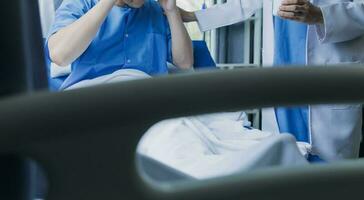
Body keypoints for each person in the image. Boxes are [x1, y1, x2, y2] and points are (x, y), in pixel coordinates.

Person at [180, 0, 364, 161]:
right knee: (287, 160)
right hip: (283, 74)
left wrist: (321, 15)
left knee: (332, 178)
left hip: (329, 73)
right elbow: (245, 4)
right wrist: (193, 16)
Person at [46, 0, 193, 90]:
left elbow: (184, 63)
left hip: (148, 94)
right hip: (90, 94)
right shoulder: (81, 3)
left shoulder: (156, 10)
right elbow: (60, 56)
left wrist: (171, 11)